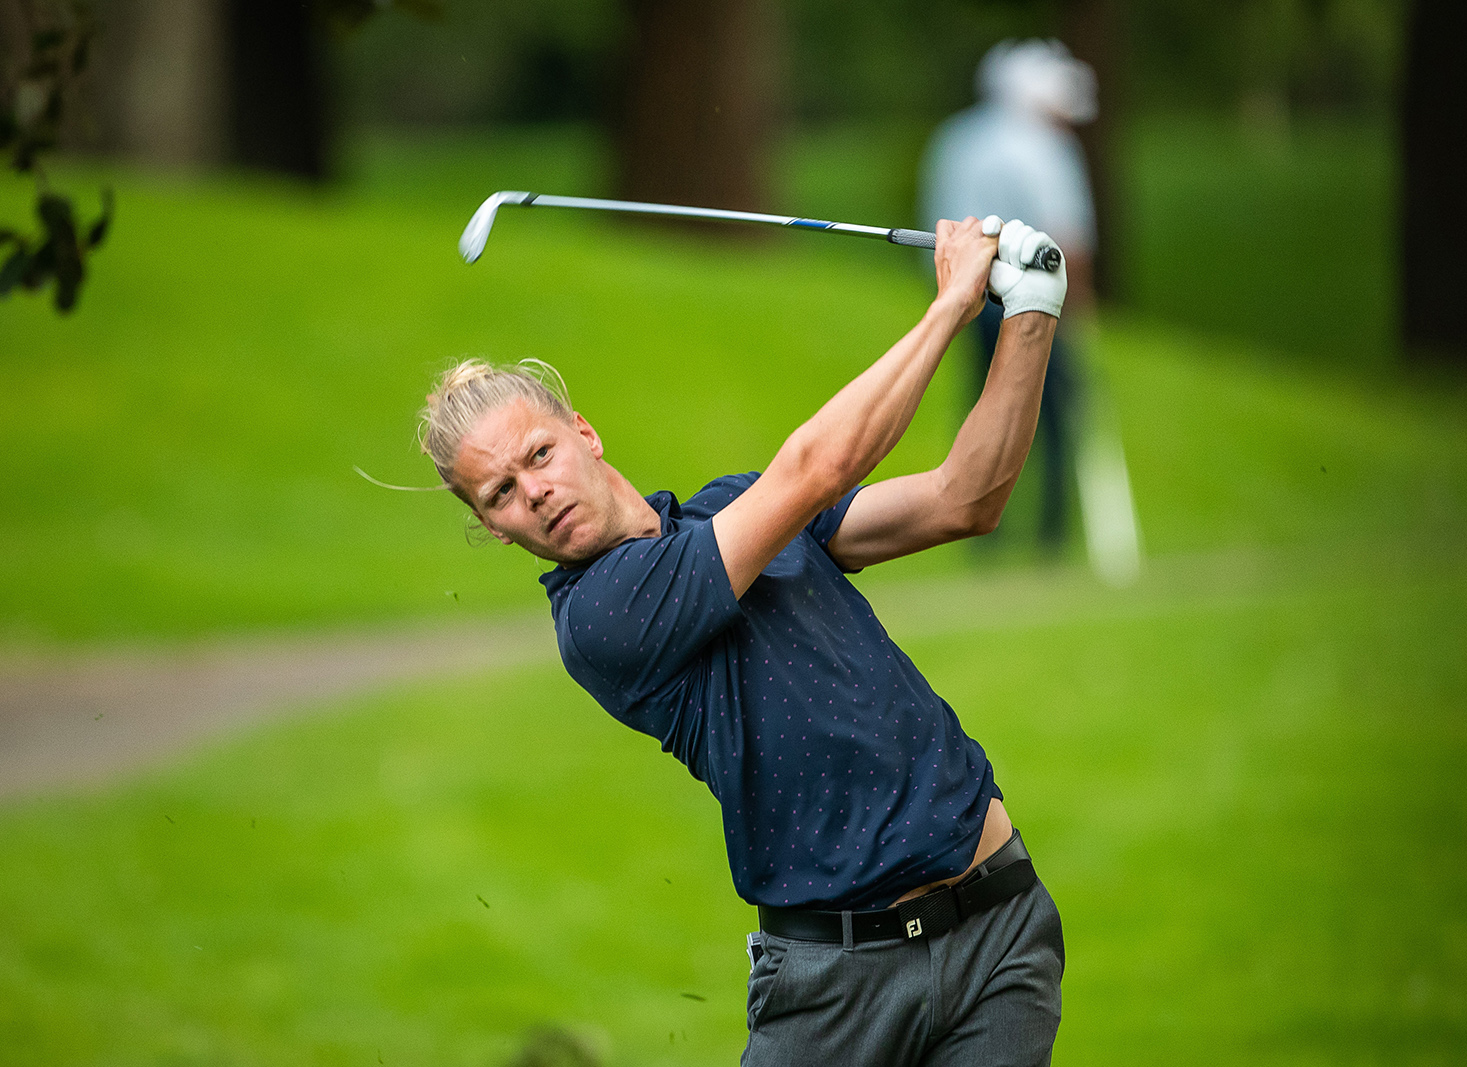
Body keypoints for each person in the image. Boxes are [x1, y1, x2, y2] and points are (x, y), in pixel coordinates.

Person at [418, 216, 1068, 1066]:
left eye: (538, 454)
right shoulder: (601, 616)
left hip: (999, 926)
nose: (532, 492)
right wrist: (951, 303)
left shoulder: (734, 504)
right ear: (492, 529)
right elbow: (815, 470)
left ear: (584, 433)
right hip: (834, 986)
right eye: (500, 493)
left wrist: (1031, 309)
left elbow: (963, 499)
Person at [920, 39, 1099, 551]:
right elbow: (1071, 237)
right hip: (1039, 298)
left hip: (971, 297)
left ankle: (981, 537)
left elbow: (940, 227)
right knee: (1053, 414)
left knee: (982, 409)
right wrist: (1080, 311)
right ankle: (1051, 536)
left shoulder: (957, 139)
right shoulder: (1045, 146)